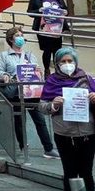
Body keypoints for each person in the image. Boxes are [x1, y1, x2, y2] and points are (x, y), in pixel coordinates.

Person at [0, 27, 59, 159]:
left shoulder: (30, 55)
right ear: (11, 39)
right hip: (15, 92)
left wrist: (38, 72)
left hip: (30, 92)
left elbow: (35, 72)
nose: (21, 38)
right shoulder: (4, 55)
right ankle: (23, 147)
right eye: (17, 35)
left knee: (40, 120)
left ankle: (48, 148)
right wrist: (5, 75)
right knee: (19, 120)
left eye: (22, 35)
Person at [38, 47, 95, 191]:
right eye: (63, 61)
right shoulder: (52, 81)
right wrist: (53, 105)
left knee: (86, 172)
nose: (67, 64)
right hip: (64, 135)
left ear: (75, 62)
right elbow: (42, 106)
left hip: (87, 134)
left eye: (70, 60)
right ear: (57, 64)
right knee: (69, 172)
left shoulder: (87, 79)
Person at [28, 0, 69, 76]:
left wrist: (65, 12)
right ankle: (47, 70)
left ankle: (57, 70)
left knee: (57, 50)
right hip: (43, 27)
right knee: (47, 49)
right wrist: (39, 10)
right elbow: (29, 12)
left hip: (57, 27)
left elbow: (65, 10)